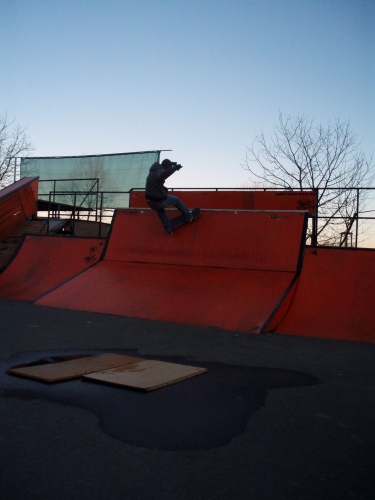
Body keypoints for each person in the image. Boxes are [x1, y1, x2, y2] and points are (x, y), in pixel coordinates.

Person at [145, 158, 192, 234]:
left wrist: (171, 164)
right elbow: (165, 173)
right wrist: (174, 168)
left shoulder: (152, 172)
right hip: (158, 200)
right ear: (166, 167)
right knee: (175, 200)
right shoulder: (159, 172)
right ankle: (188, 216)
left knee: (160, 209)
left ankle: (168, 228)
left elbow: (164, 167)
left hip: (150, 201)